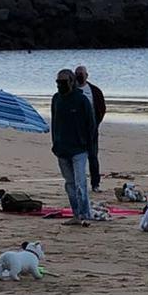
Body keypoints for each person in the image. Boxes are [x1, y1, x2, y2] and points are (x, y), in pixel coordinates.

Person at [50, 68, 97, 223]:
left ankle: (85, 213)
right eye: (57, 82)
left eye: (62, 82)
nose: (59, 85)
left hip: (79, 149)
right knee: (69, 184)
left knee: (80, 183)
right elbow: (54, 122)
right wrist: (55, 143)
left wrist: (91, 149)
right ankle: (76, 214)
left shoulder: (81, 100)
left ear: (71, 82)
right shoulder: (56, 99)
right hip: (62, 149)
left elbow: (91, 126)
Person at [74, 64, 106, 190]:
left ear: (87, 75)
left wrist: (96, 123)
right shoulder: (71, 91)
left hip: (91, 129)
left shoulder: (95, 91)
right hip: (75, 130)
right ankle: (77, 183)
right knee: (76, 158)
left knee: (93, 156)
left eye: (82, 74)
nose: (80, 77)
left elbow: (101, 108)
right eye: (77, 74)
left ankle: (95, 184)